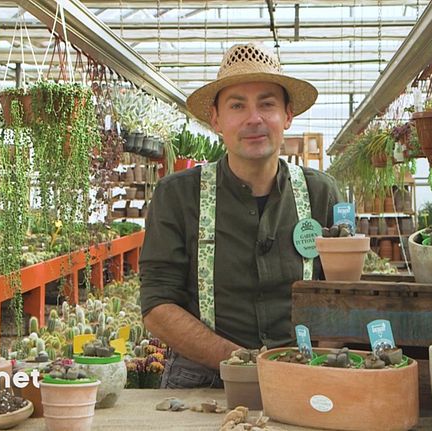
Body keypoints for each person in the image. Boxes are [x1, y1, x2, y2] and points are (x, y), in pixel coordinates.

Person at [139, 42, 342, 389]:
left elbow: (342, 292)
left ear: (288, 115)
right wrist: (245, 363)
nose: (254, 118)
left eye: (267, 104)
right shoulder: (178, 195)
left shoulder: (320, 193)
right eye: (237, 105)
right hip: (201, 377)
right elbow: (157, 305)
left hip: (300, 372)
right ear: (216, 119)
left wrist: (319, 368)